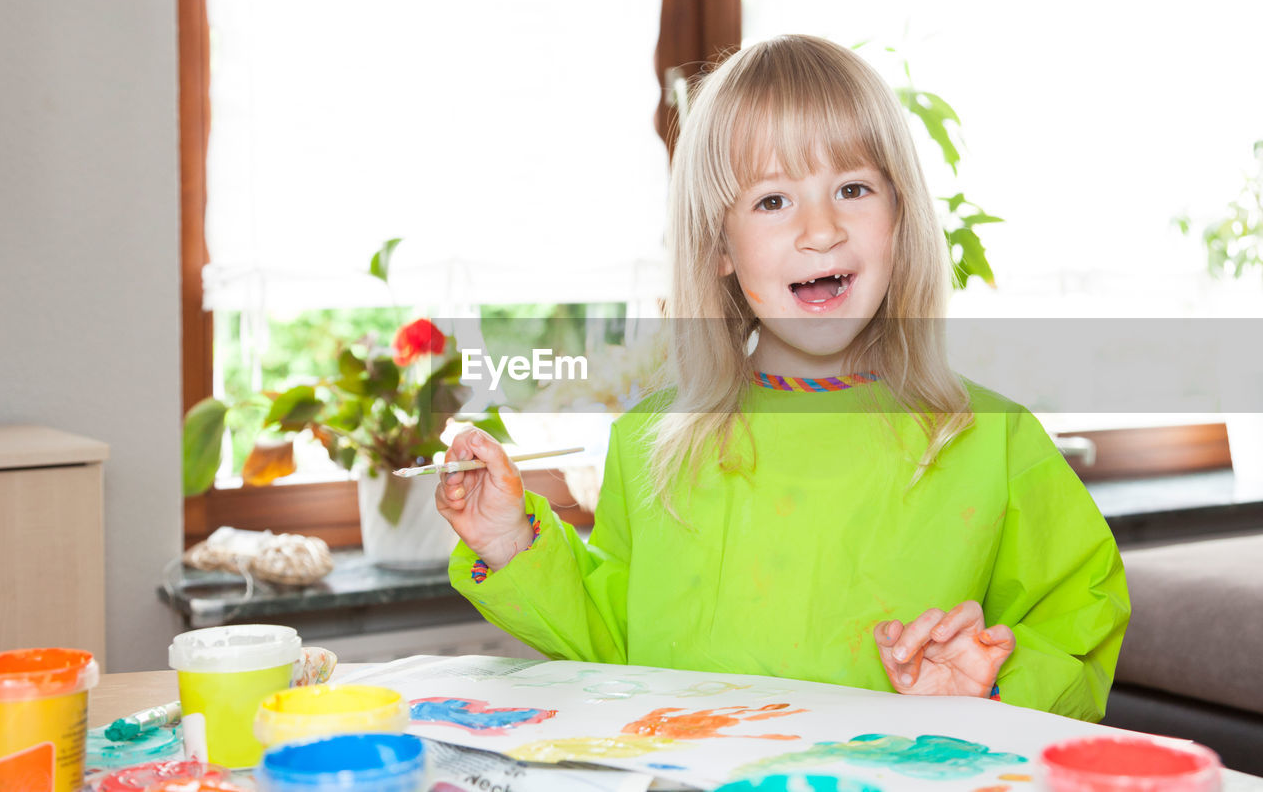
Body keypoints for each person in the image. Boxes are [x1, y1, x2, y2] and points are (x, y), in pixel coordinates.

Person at [434, 35, 1129, 722]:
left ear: (900, 217)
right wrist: (511, 545)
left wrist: (992, 686)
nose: (821, 230)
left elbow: (1080, 628)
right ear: (718, 245)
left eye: (853, 189)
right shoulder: (653, 442)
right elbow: (616, 647)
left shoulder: (992, 443)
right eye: (772, 201)